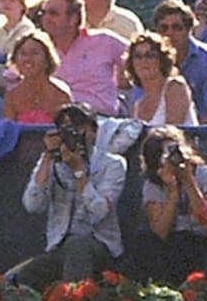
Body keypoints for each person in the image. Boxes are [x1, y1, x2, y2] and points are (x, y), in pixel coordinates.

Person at [10, 102, 125, 289]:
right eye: (67, 129)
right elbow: (32, 205)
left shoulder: (113, 164)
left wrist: (78, 171)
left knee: (77, 245)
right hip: (59, 247)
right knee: (26, 277)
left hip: (100, 245)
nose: (74, 135)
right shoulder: (52, 162)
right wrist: (48, 157)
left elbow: (100, 212)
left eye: (79, 127)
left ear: (93, 132)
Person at [127, 125, 207, 282]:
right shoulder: (154, 183)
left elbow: (206, 223)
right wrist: (172, 192)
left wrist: (187, 179)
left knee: (189, 247)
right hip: (169, 242)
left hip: (203, 244)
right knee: (143, 241)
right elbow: (160, 231)